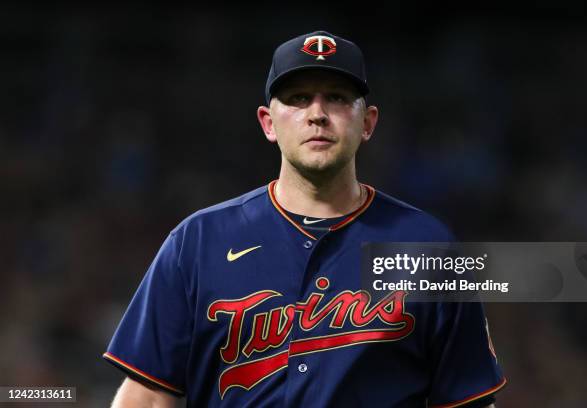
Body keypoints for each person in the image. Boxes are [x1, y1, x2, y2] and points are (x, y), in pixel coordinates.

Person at [103, 30, 506, 407]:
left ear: (367, 123)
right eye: (298, 99)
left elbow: (468, 400)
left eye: (336, 98)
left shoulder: (427, 246)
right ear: (268, 123)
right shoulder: (198, 241)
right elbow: (148, 399)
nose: (317, 113)